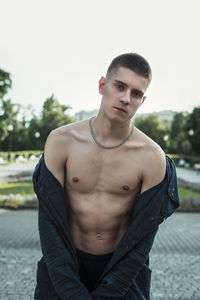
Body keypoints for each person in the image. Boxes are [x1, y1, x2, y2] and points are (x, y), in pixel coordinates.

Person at [34, 53, 179, 300]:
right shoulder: (62, 142)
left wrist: (108, 293)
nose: (125, 98)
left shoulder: (151, 157)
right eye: (120, 86)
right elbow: (50, 224)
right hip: (63, 268)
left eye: (135, 93)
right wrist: (72, 292)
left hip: (123, 275)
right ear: (103, 85)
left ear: (142, 101)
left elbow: (142, 239)